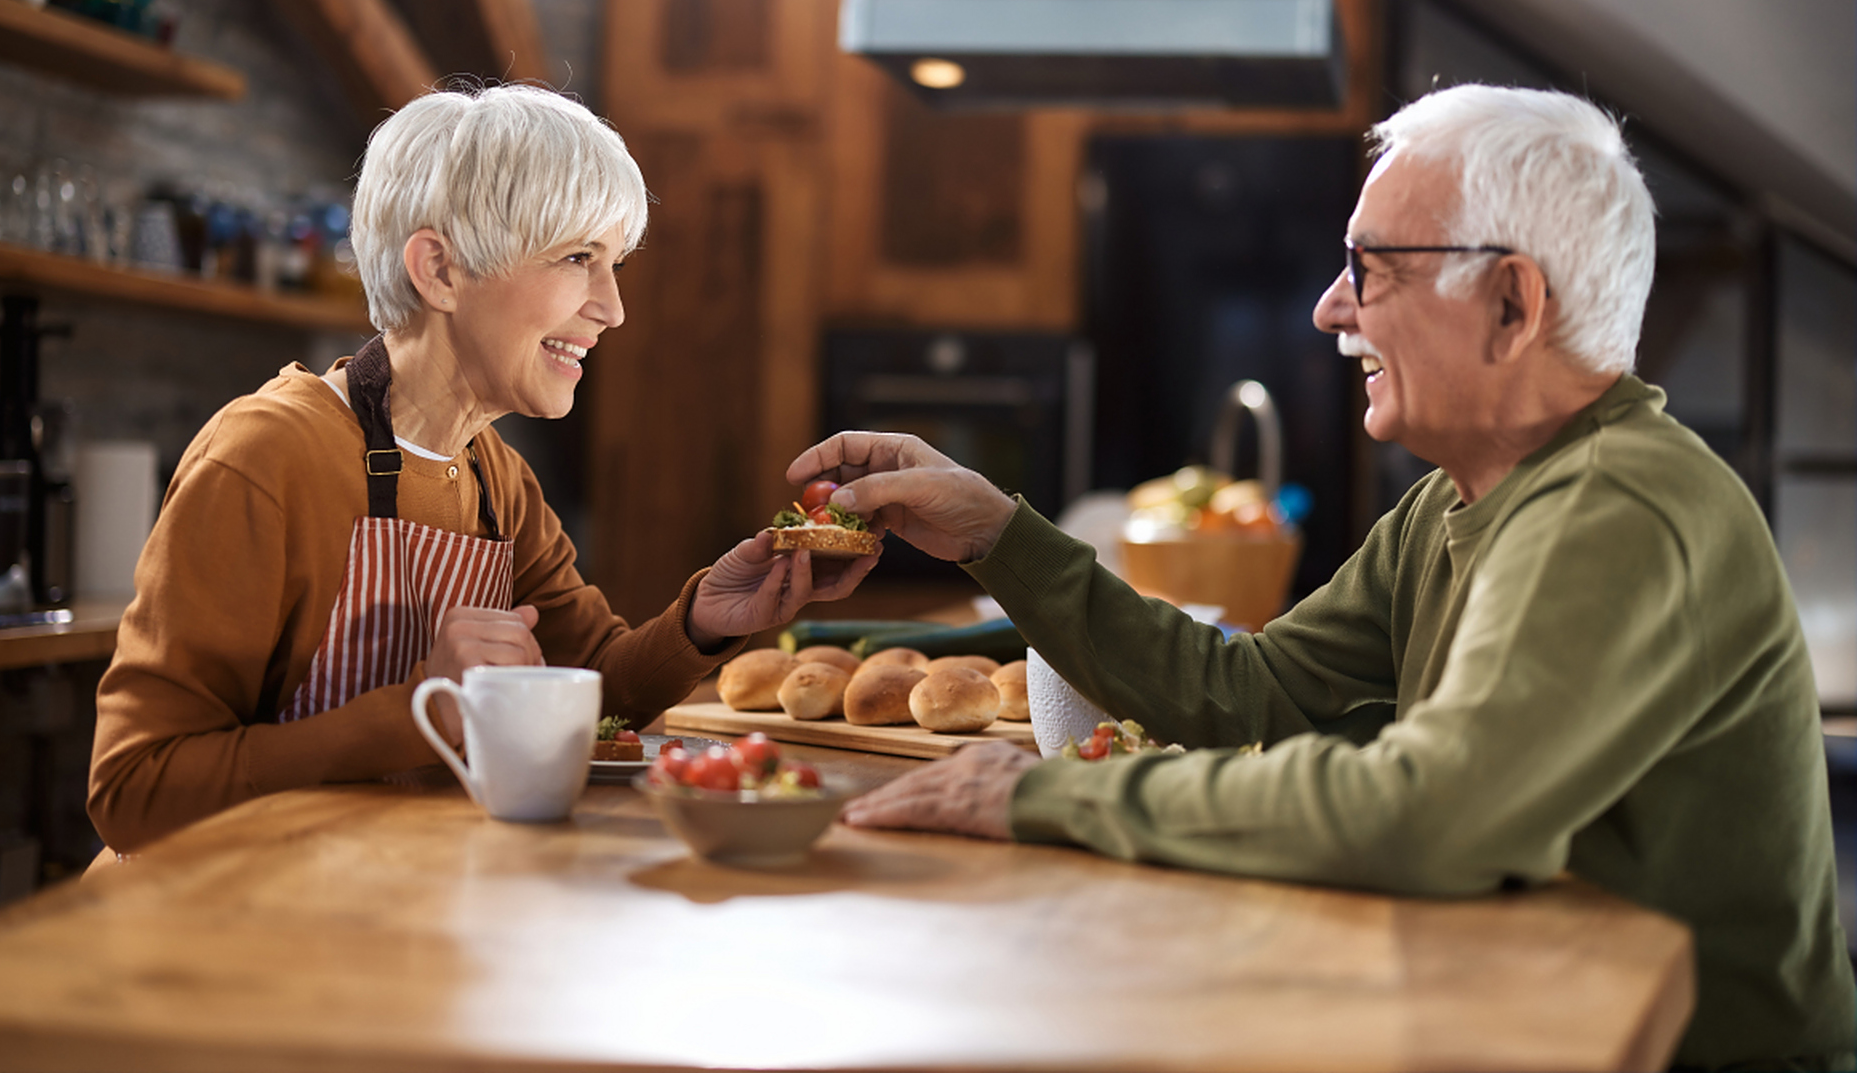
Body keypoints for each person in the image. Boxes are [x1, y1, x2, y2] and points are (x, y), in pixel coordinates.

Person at [796, 85, 1854, 1071]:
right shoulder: (1460, 498)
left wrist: (1051, 794)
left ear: (1511, 302)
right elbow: (1241, 691)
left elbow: (1430, 811)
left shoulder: (1617, 506)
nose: (1327, 309)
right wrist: (997, 532)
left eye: (1371, 266)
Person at [90, 83, 874, 854]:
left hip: (382, 914)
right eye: (577, 258)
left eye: (615, 265)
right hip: (212, 940)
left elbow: (595, 687)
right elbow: (135, 792)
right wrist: (422, 709)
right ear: (439, 271)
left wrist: (704, 620)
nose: (612, 308)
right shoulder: (266, 456)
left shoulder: (495, 475)